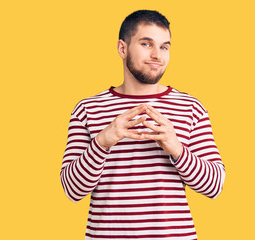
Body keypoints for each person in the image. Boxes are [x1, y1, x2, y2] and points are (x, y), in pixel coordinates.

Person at [60, 10, 225, 240]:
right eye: (146, 44)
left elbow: (215, 186)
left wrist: (176, 148)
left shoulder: (191, 107)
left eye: (164, 47)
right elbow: (72, 190)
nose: (157, 54)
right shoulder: (88, 109)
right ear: (122, 48)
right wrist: (102, 142)